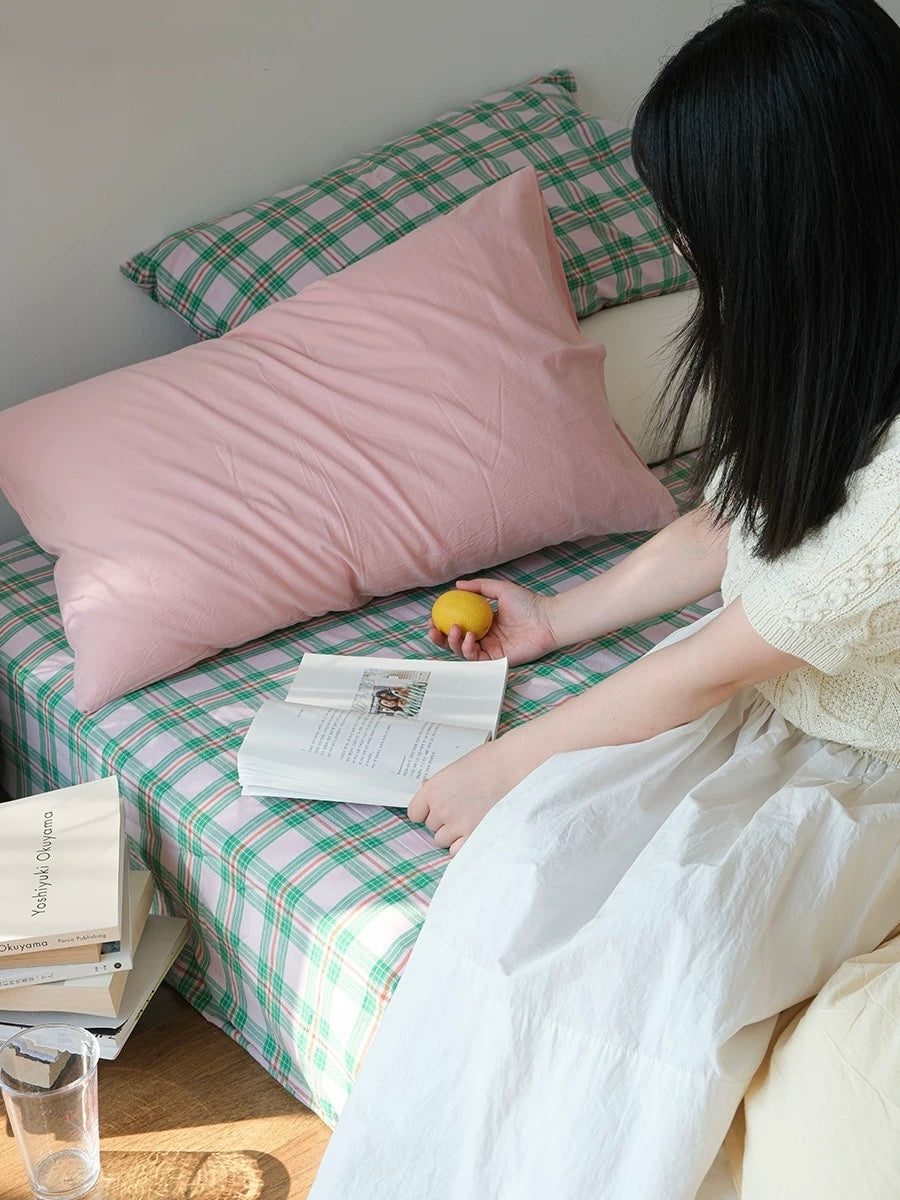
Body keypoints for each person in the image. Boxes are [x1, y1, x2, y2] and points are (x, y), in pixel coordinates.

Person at [310, 2, 900, 1196]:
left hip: (863, 762)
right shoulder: (838, 341)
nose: (682, 244)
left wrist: (505, 760)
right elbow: (740, 521)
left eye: (695, 220)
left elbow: (709, 664)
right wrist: (556, 621)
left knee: (665, 953)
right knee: (520, 884)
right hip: (779, 705)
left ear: (791, 213)